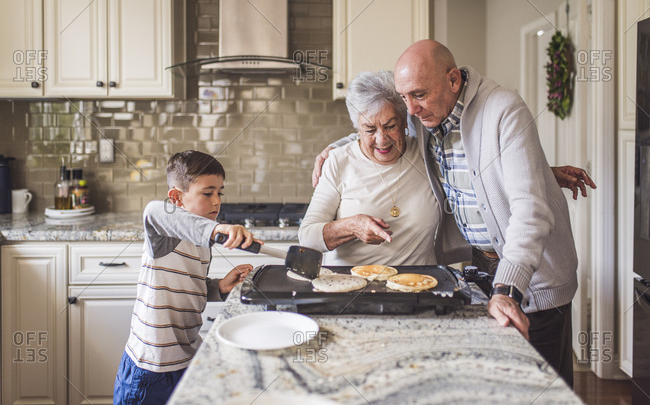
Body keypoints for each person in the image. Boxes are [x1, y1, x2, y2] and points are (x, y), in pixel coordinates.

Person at [312, 40, 597, 387]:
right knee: (496, 385)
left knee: (540, 388)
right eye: (405, 98)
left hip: (531, 275)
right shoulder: (427, 113)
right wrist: (337, 149)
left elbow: (530, 212)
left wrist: (508, 289)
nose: (411, 110)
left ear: (452, 80)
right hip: (482, 269)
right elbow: (383, 128)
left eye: (418, 95)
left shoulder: (503, 109)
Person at [113, 150, 257, 404]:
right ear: (176, 198)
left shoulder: (202, 240)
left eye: (219, 193)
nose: (216, 201)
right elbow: (153, 210)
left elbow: (189, 285)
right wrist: (215, 229)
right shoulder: (164, 231)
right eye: (207, 192)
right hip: (150, 366)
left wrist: (219, 287)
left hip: (187, 357)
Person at [299, 70, 439, 266]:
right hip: (351, 288)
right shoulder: (339, 161)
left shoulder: (427, 154)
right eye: (370, 130)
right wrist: (352, 227)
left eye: (390, 126)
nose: (382, 140)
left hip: (418, 286)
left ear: (405, 120)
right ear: (357, 127)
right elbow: (307, 237)